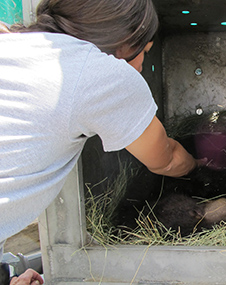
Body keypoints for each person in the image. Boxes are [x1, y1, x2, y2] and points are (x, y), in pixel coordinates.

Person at [0, 0, 201, 280]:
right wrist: (198, 165)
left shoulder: (14, 44)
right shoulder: (102, 74)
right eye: (143, 51)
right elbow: (167, 161)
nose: (142, 65)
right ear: (123, 41)